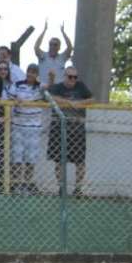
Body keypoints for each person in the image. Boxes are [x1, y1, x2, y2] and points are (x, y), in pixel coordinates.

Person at [47, 67, 92, 196]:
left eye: (75, 77)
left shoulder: (81, 86)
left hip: (77, 129)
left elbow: (92, 99)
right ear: (64, 76)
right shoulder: (58, 87)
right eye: (70, 76)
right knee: (59, 160)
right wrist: (69, 102)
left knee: (80, 161)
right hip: (59, 128)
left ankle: (78, 189)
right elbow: (51, 97)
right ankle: (61, 188)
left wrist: (79, 102)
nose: (73, 79)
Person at [4, 64, 44, 194]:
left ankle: (26, 184)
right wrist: (16, 99)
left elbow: (49, 90)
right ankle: (16, 185)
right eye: (29, 71)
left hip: (34, 127)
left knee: (30, 158)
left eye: (33, 72)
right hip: (18, 124)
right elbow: (9, 97)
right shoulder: (17, 84)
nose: (30, 74)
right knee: (17, 157)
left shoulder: (40, 87)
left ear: (37, 74)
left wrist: (51, 77)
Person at [34, 21, 74, 88]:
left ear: (59, 47)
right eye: (51, 44)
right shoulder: (43, 56)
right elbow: (36, 47)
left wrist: (63, 32)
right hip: (44, 88)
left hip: (58, 90)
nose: (52, 46)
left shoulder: (62, 57)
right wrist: (44, 30)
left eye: (55, 45)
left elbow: (70, 47)